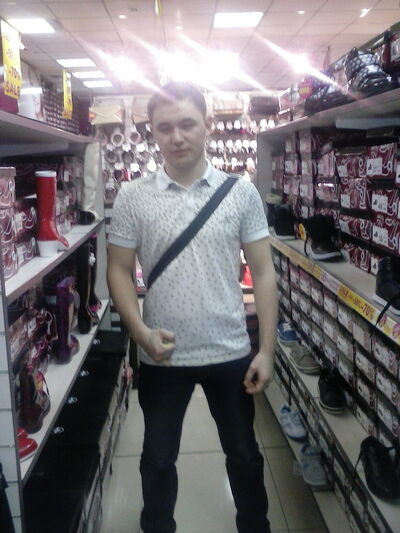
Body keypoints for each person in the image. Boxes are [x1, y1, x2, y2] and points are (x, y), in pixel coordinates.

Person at [107, 82, 278, 533]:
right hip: (162, 354)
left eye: (187, 124)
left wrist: (266, 350)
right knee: (157, 458)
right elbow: (118, 271)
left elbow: (263, 272)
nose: (177, 136)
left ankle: (254, 526)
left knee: (244, 453)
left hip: (230, 350)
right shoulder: (133, 196)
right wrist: (140, 333)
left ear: (208, 124)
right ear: (152, 132)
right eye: (164, 127)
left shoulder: (240, 193)